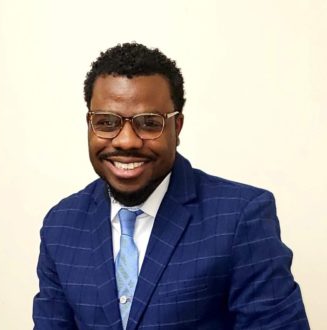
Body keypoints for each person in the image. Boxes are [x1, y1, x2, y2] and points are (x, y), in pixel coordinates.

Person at [33, 42, 309, 329]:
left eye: (149, 123)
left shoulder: (240, 218)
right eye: (107, 122)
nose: (126, 141)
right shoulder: (61, 226)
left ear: (176, 127)